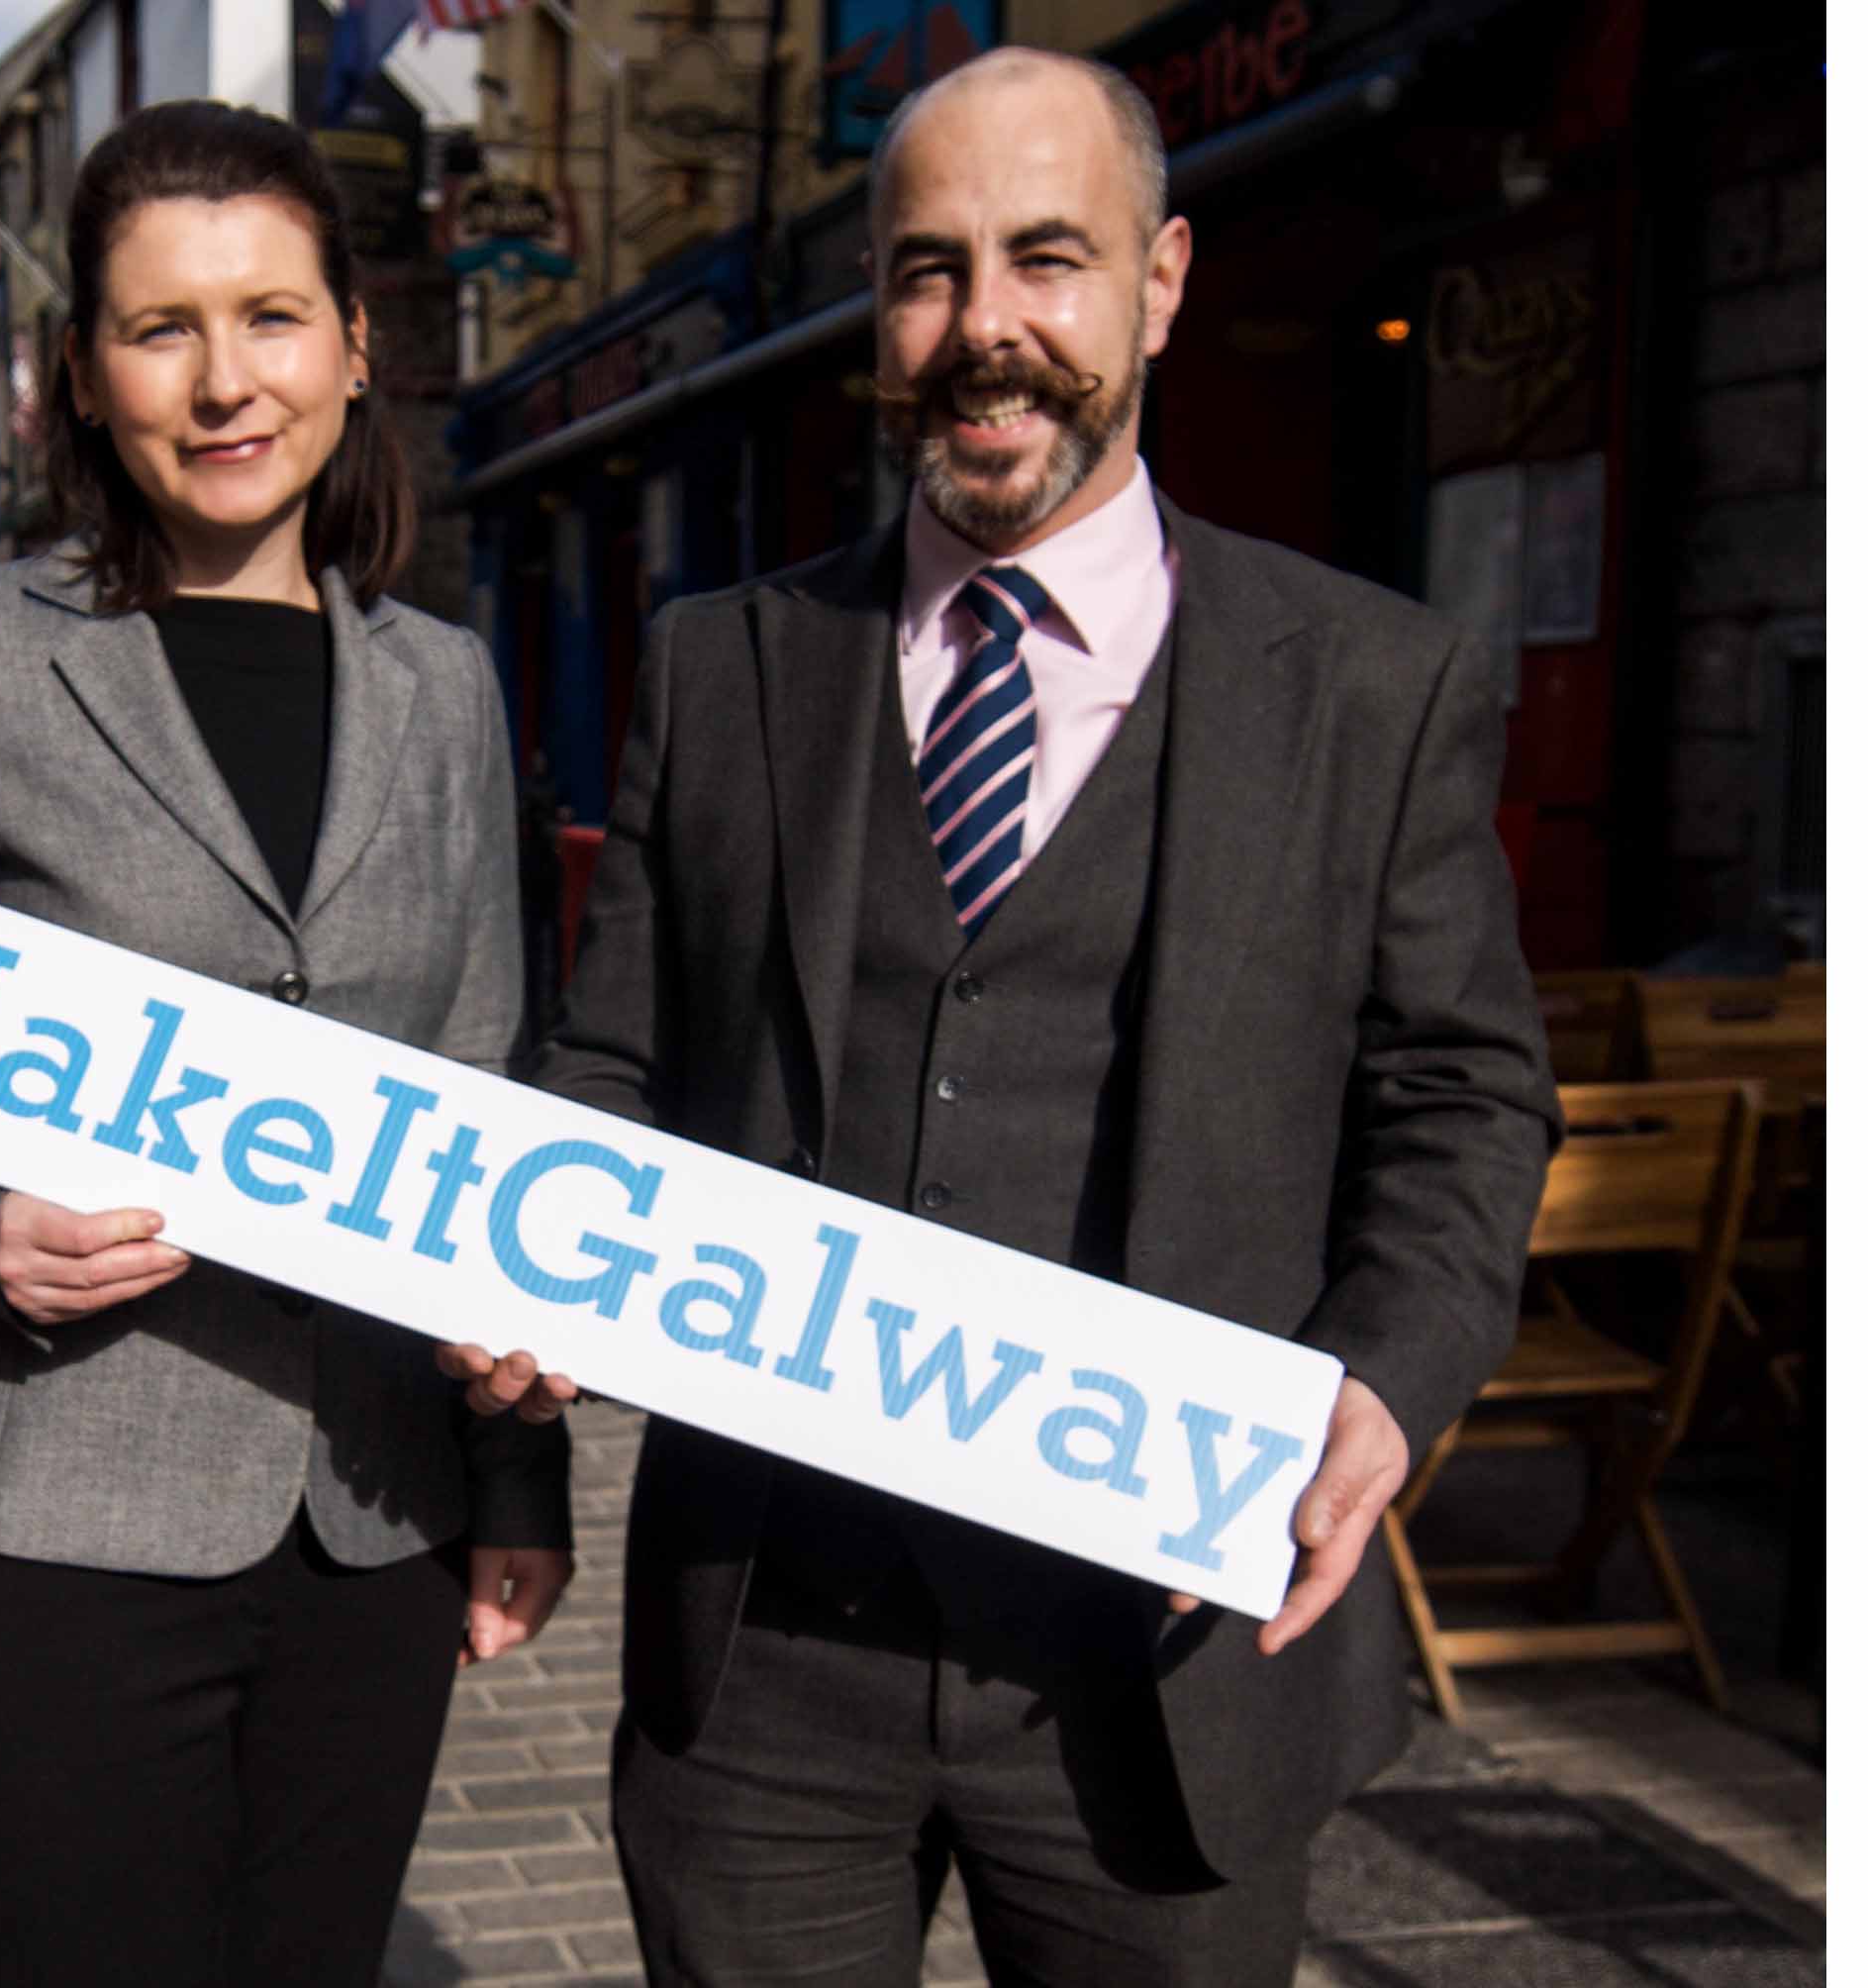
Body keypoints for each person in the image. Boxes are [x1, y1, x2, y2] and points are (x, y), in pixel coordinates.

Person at [438, 49, 1560, 1985]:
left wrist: (1390, 1365)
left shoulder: (1372, 682)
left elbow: (1463, 1084)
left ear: (1162, 279)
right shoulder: (721, 665)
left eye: (1047, 259)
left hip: (1166, 1659)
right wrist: (529, 1258)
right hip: (764, 1652)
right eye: (928, 269)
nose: (985, 331)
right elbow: (613, 1059)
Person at [0, 101, 574, 1986]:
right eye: (160, 328)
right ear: (81, 377)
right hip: (36, 1521)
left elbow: (472, 1083)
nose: (224, 381)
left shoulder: (438, 682)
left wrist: (513, 1475)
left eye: (270, 317)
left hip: (364, 1532)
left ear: (352, 347)